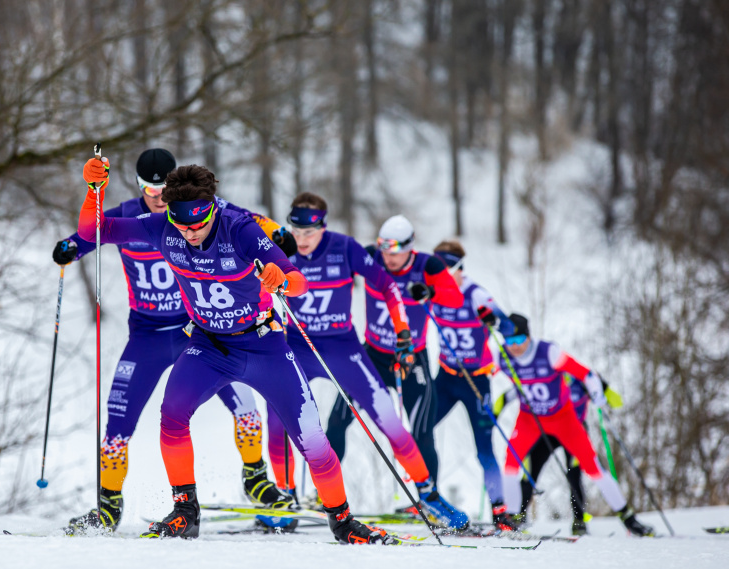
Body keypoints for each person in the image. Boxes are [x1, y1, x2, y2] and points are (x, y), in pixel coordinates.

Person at [76, 155, 396, 544]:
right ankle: (185, 511)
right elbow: (96, 229)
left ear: (212, 209)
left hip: (263, 345)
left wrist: (282, 278)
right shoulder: (163, 227)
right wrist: (95, 190)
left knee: (311, 438)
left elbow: (297, 283)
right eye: (183, 224)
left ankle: (343, 521)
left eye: (199, 223)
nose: (191, 233)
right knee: (172, 414)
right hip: (209, 346)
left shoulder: (239, 230)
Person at [57, 149, 297, 534]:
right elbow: (94, 231)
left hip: (197, 330)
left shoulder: (198, 210)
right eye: (148, 188)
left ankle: (255, 477)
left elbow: (248, 221)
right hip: (148, 335)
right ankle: (108, 507)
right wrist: (72, 244)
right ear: (138, 186)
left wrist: (276, 233)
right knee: (117, 420)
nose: (155, 195)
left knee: (245, 404)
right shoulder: (131, 216)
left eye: (161, 187)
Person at [266, 193, 468, 530]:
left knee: (391, 421)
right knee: (279, 416)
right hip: (298, 346)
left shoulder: (345, 248)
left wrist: (404, 329)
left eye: (309, 232)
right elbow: (252, 280)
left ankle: (428, 494)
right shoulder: (282, 248)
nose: (301, 240)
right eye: (296, 231)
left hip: (344, 348)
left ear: (323, 226)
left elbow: (388, 287)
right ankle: (285, 497)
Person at [326, 215, 463, 488]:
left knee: (423, 432)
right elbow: (336, 272)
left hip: (411, 359)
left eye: (396, 253)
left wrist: (430, 291)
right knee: (337, 421)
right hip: (371, 355)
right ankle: (325, 491)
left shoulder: (428, 265)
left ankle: (429, 498)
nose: (389, 259)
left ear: (410, 248)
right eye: (385, 251)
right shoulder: (370, 257)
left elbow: (455, 298)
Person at [490, 313, 654, 536]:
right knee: (511, 463)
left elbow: (586, 374)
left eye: (518, 340)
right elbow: (486, 370)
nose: (514, 347)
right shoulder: (503, 357)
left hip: (563, 420)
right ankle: (511, 519)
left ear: (528, 336)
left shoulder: (548, 352)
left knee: (592, 468)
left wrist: (598, 394)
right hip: (531, 419)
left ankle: (628, 519)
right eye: (509, 341)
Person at [428, 240, 520, 530]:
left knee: (484, 448)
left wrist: (491, 319)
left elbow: (508, 328)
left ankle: (500, 511)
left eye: (443, 271)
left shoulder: (475, 293)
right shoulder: (432, 291)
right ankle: (424, 496)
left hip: (476, 381)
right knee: (419, 431)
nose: (438, 277)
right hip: (445, 377)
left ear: (457, 269)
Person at [504, 374, 623, 535]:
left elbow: (617, 403)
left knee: (574, 475)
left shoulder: (581, 381)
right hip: (546, 432)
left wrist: (602, 386)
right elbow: (506, 397)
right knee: (530, 473)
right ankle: (518, 516)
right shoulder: (544, 379)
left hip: (574, 433)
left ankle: (579, 520)